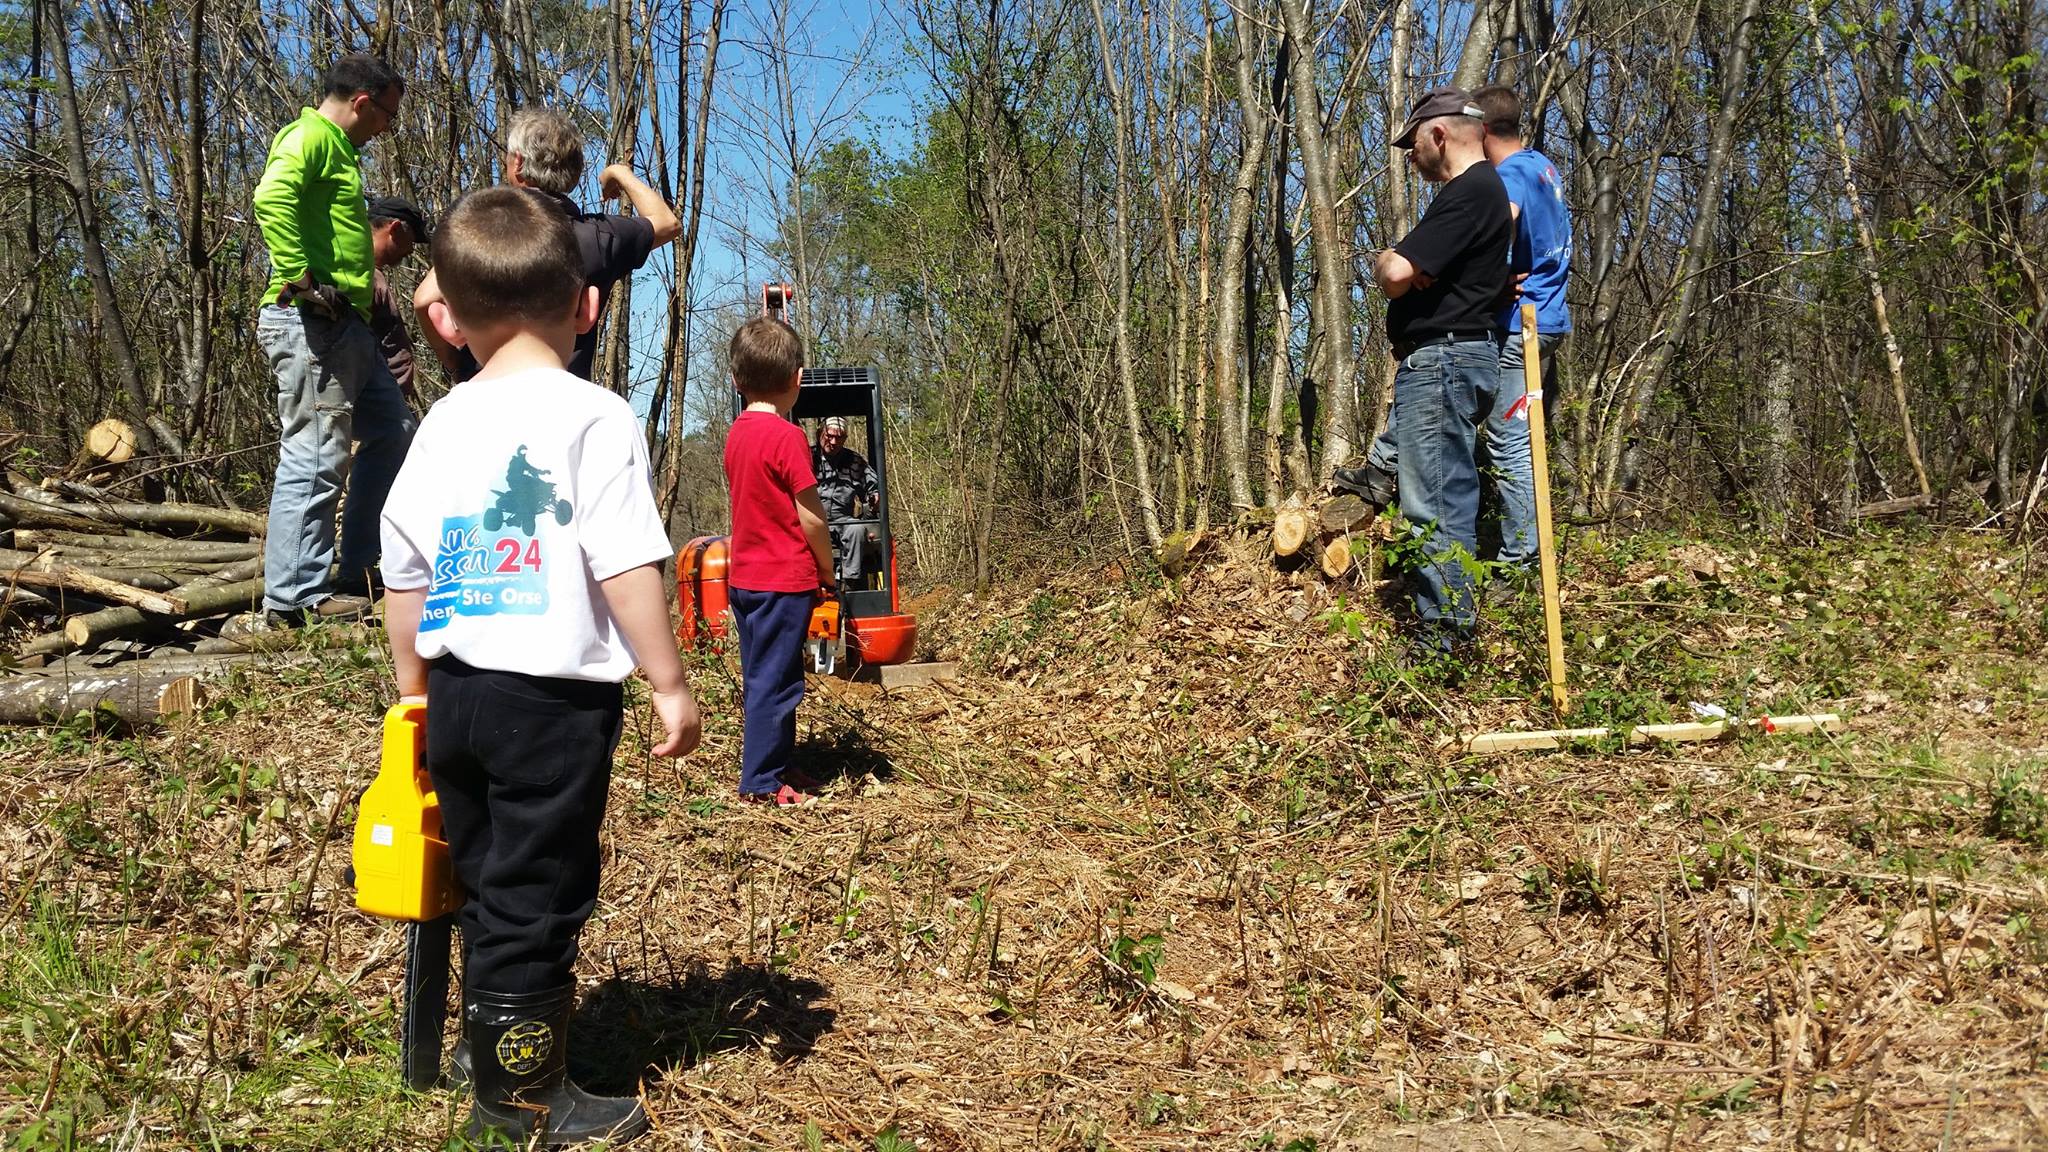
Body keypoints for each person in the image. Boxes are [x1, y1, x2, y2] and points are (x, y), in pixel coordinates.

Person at [378, 185, 701, 1147]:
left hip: (461, 693)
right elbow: (628, 563)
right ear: (586, 305)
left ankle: (495, 1051)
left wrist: (413, 698)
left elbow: (403, 572)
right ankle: (519, 1104)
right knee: (540, 889)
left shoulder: (441, 424)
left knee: (486, 880)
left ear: (452, 320)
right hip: (552, 703)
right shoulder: (594, 418)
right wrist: (670, 682)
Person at [1337, 85, 1572, 577]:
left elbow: (1490, 231)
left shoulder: (1505, 178)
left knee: (1509, 443)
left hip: (1515, 321)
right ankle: (1384, 467)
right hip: (1543, 314)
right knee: (1472, 424)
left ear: (1479, 132)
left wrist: (1476, 272)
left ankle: (1521, 561)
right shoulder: (1542, 168)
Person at [249, 53, 415, 625]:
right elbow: (271, 198)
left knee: (392, 430)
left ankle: (358, 568)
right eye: (387, 115)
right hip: (310, 321)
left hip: (351, 326)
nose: (388, 128)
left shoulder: (343, 152)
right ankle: (293, 599)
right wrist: (300, 278)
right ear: (363, 102)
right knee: (317, 455)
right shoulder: (310, 136)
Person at [1364, 87, 1513, 655]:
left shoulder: (1469, 193)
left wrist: (1387, 258)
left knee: (1436, 501)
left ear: (1440, 135)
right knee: (1438, 491)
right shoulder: (1484, 193)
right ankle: (1447, 626)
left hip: (1445, 359)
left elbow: (1397, 271)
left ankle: (1445, 638)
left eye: (1412, 144)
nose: (1409, 156)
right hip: (1453, 358)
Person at [413, 107, 681, 383]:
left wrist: (457, 367)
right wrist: (620, 173)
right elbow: (666, 223)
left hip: (485, 391)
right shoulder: (598, 237)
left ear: (517, 163)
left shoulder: (483, 229)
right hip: (565, 398)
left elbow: (425, 300)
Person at [723, 316, 836, 806]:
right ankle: (762, 782)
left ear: (735, 381)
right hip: (783, 581)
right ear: (798, 379)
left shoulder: (736, 435)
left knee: (766, 674)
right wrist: (828, 571)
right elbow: (810, 518)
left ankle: (779, 761)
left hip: (745, 578)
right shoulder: (788, 438)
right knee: (778, 680)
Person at [366, 196, 431, 411]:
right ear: (394, 228)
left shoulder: (375, 277)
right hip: (374, 409)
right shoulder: (362, 280)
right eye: (411, 240)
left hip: (389, 404)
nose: (411, 250)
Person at [811, 416, 880, 587]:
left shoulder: (855, 461)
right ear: (820, 433)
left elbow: (873, 485)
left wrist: (875, 496)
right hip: (812, 519)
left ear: (845, 439)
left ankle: (851, 582)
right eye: (829, 436)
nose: (833, 441)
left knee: (857, 529)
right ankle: (809, 584)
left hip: (843, 519)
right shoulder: (806, 457)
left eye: (839, 437)